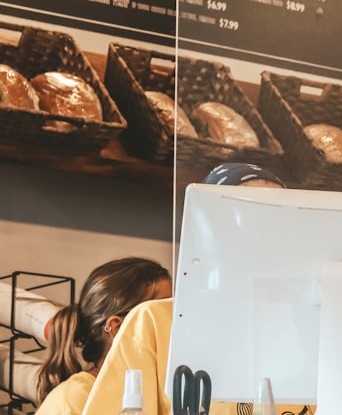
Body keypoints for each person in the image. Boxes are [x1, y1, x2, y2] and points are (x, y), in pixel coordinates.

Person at [82, 164, 286, 415]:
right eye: (242, 219)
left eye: (276, 221)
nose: (260, 238)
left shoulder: (307, 330)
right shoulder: (154, 322)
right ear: (206, 233)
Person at [33, 257, 172, 415]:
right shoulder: (73, 399)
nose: (174, 323)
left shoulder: (160, 394)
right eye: (161, 312)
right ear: (117, 328)